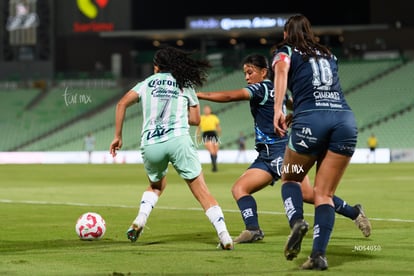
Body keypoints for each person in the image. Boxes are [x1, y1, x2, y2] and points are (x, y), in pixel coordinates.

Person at [197, 53, 371, 245]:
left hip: (281, 151)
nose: (247, 77)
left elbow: (230, 96)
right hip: (266, 156)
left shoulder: (262, 88)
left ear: (264, 72)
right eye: (245, 73)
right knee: (240, 188)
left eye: (250, 72)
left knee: (307, 193)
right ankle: (253, 230)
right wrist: (294, 114)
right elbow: (295, 104)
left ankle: (353, 212)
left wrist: (198, 94)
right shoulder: (277, 90)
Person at [109, 46, 233, 250]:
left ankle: (140, 219)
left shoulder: (146, 83)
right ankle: (224, 235)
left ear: (156, 67)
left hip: (151, 144)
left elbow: (121, 104)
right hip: (178, 141)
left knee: (157, 186)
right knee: (202, 192)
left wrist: (117, 136)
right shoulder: (186, 84)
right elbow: (195, 120)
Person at [272, 14, 367, 270]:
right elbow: (318, 89)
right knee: (324, 193)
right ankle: (317, 255)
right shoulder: (329, 54)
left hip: (311, 122)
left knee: (291, 177)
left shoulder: (285, 51)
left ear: (285, 34)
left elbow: (281, 71)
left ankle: (297, 223)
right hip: (344, 121)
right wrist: (297, 107)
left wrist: (278, 108)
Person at [196, 105, 221, 172]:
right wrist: (198, 136)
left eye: (208, 109)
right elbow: (198, 128)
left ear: (210, 110)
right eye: (205, 109)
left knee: (215, 151)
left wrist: (219, 134)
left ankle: (214, 165)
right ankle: (214, 167)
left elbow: (218, 126)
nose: (206, 110)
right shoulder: (201, 118)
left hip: (213, 134)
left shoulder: (214, 117)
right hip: (206, 134)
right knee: (211, 151)